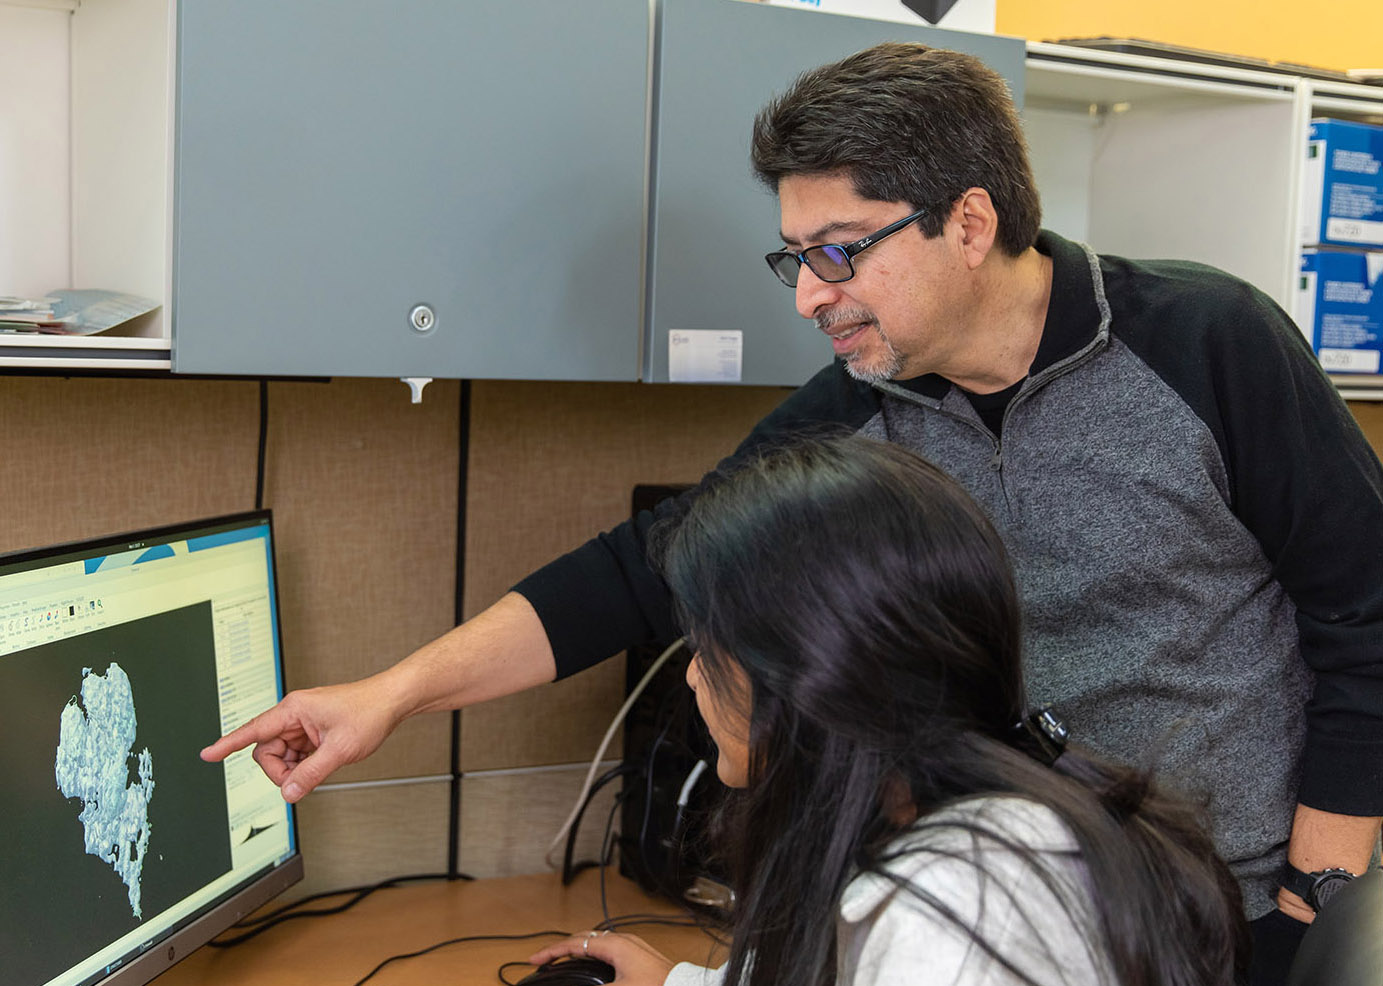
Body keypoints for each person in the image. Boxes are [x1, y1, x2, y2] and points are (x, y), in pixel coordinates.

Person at [202, 42, 1383, 983]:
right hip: (1018, 911)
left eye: (837, 252)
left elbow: (1366, 624)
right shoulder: (863, 402)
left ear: (969, 224)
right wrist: (390, 695)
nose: (812, 293)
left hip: (1230, 907)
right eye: (794, 258)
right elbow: (645, 570)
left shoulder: (1207, 343)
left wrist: (1303, 912)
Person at [527, 435, 1249, 986]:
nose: (689, 677)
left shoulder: (957, 910)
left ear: (806, 678)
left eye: (709, 647)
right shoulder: (945, 830)